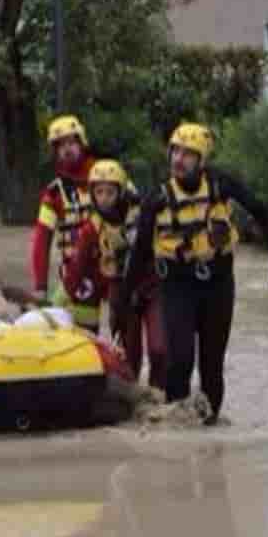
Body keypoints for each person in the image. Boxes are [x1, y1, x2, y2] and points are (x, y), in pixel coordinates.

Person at [119, 123, 268, 426]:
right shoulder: (156, 200)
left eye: (188, 154)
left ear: (201, 161)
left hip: (218, 284)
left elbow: (261, 211)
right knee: (180, 361)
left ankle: (210, 433)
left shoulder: (221, 185)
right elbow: (138, 256)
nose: (178, 159)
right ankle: (175, 427)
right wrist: (124, 305)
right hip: (176, 285)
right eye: (175, 151)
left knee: (212, 365)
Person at [64, 160, 166, 388]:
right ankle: (134, 400)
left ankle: (159, 396)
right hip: (120, 293)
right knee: (130, 357)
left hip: (151, 286)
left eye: (110, 192)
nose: (104, 198)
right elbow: (76, 268)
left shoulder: (143, 212)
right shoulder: (91, 227)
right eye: (98, 192)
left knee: (159, 350)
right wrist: (58, 303)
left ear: (120, 192)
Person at [29, 115, 100, 329]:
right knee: (85, 330)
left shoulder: (106, 175)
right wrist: (40, 286)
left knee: (124, 327)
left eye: (71, 142)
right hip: (79, 271)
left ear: (81, 143)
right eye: (60, 146)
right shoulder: (54, 193)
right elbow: (41, 240)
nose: (67, 149)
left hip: (112, 266)